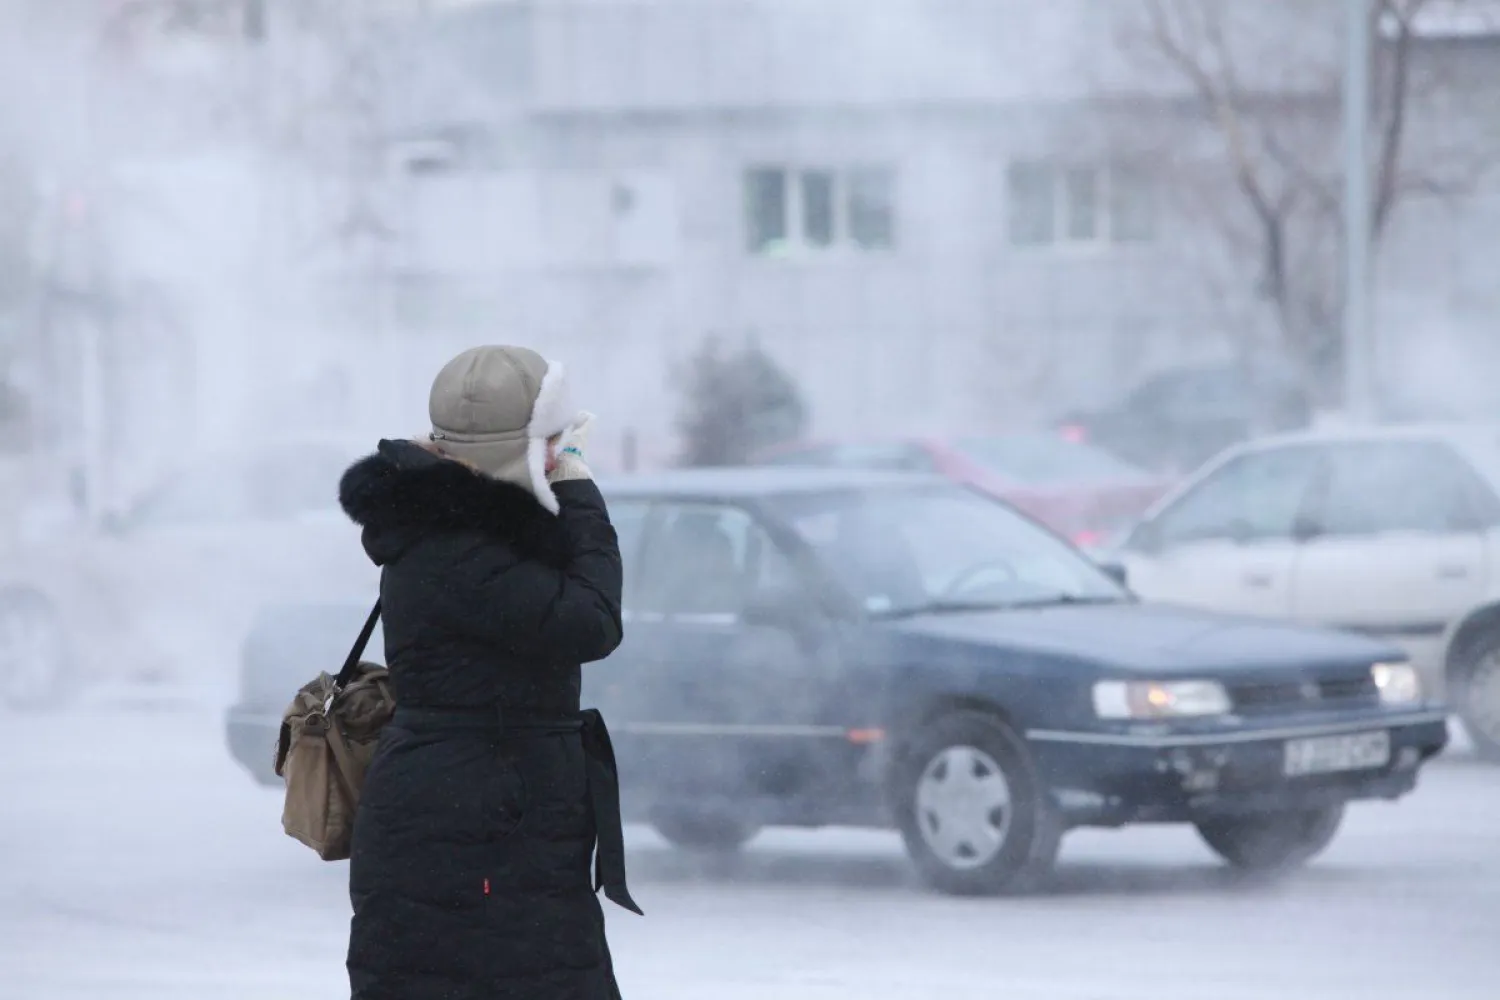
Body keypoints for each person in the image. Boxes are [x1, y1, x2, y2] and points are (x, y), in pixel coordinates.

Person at [337, 345, 641, 1000]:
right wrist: (579, 489)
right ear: (517, 448)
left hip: (487, 822)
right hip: (474, 834)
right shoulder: (458, 548)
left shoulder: (460, 525)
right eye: (553, 440)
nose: (563, 451)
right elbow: (592, 620)